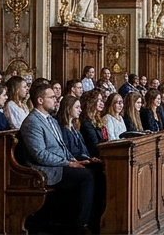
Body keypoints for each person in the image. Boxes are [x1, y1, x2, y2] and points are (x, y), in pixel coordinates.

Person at [18, 85, 95, 235]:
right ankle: (80, 226)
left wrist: (72, 158)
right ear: (40, 100)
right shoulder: (32, 122)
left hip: (59, 164)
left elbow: (62, 147)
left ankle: (95, 220)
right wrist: (68, 163)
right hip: (45, 170)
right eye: (52, 97)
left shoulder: (51, 120)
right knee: (87, 176)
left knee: (96, 169)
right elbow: (40, 154)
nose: (56, 100)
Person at [57, 94, 105, 233]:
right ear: (67, 109)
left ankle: (97, 215)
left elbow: (83, 148)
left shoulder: (74, 127)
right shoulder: (62, 128)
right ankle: (83, 222)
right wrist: (84, 160)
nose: (80, 110)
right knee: (91, 175)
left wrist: (90, 158)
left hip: (83, 159)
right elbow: (67, 151)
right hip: (70, 163)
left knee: (101, 171)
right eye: (77, 107)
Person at [80, 90, 108, 155]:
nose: (102, 103)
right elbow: (94, 146)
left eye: (102, 100)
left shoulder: (97, 120)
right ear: (91, 102)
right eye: (99, 100)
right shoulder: (86, 123)